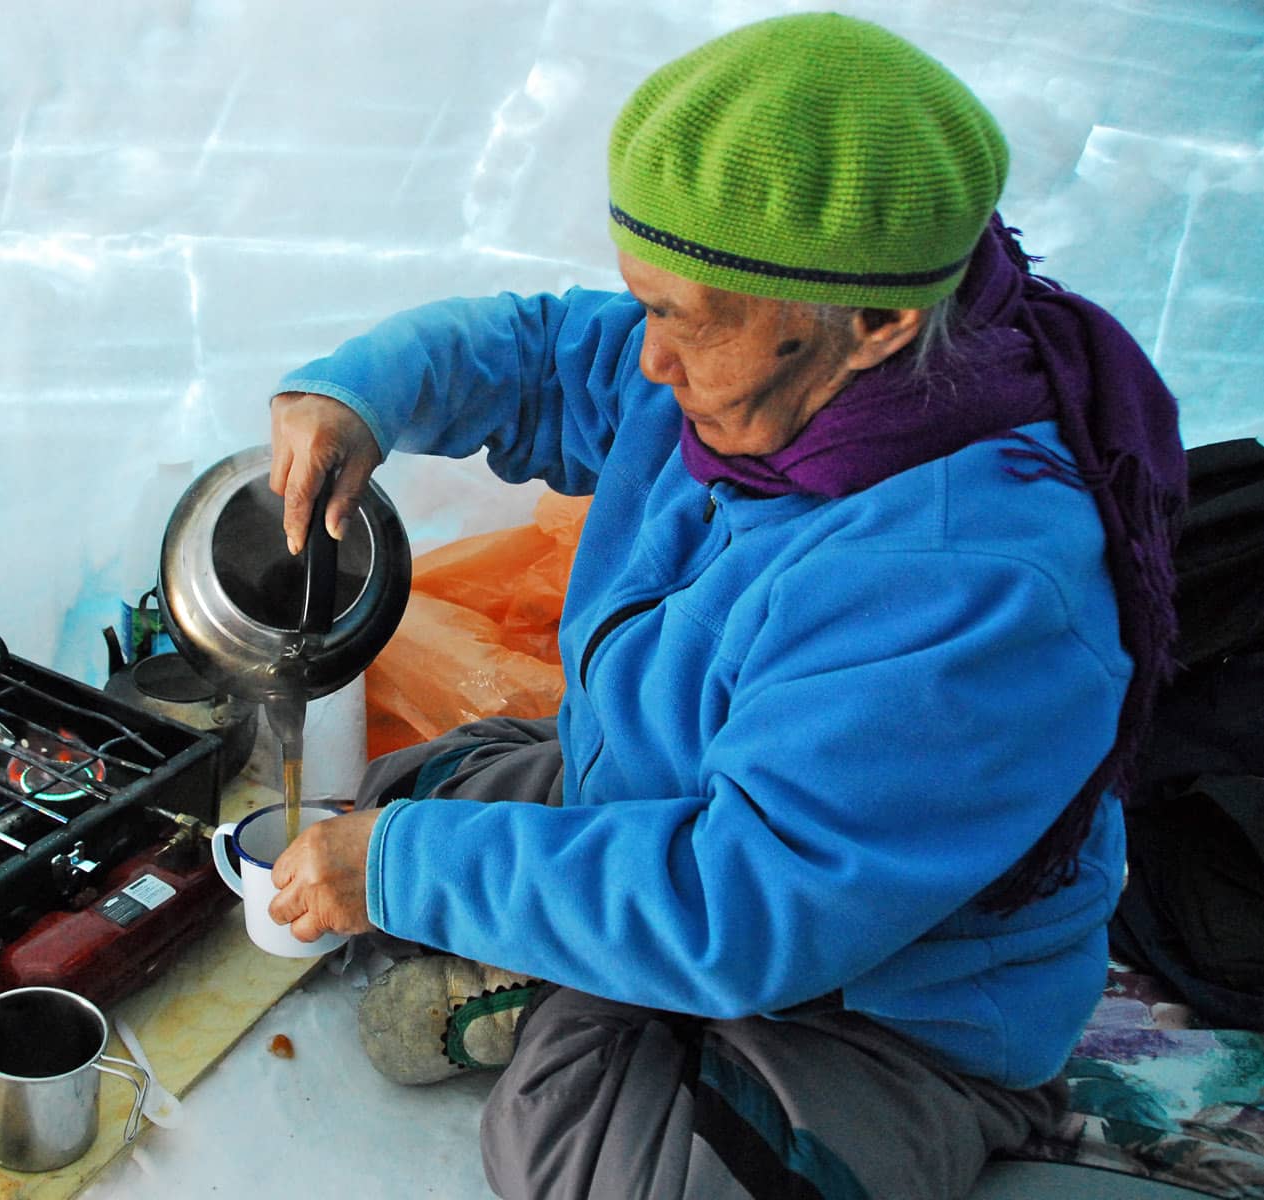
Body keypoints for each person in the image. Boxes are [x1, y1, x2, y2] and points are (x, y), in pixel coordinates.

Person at [262, 13, 1186, 1200]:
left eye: (679, 319)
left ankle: (572, 991)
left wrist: (409, 874)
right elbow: (544, 356)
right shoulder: (759, 367)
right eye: (643, 305)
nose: (648, 360)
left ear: (877, 325)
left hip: (873, 998)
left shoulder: (971, 583)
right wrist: (358, 394)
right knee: (393, 801)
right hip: (683, 799)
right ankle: (571, 946)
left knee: (599, 1164)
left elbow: (746, 905)